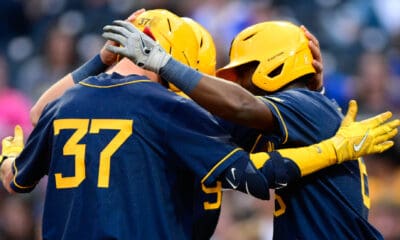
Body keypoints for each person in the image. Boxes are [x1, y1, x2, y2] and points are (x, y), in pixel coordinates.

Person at [0, 9, 398, 240]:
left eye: (242, 72)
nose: (232, 82)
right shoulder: (169, 111)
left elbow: (37, 119)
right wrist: (336, 147)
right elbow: (253, 172)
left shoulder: (72, 100)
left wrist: (107, 61)